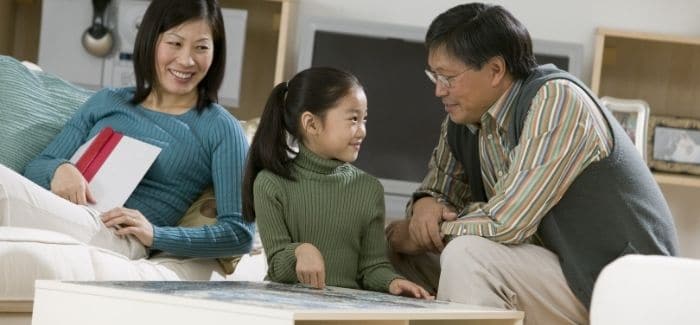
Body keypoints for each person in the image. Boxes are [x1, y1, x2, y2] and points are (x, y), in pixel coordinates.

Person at [386, 3, 679, 323]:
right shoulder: (463, 119)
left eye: (448, 77)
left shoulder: (557, 101)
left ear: (495, 70)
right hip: (558, 270)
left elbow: (508, 222)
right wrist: (426, 203)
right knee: (388, 254)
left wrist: (423, 231)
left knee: (467, 254)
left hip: (620, 288)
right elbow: (438, 191)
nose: (438, 90)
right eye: (434, 75)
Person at [0, 0, 254, 259]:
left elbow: (240, 233)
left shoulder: (221, 128)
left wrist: (155, 234)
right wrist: (59, 169)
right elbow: (35, 168)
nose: (187, 60)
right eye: (175, 43)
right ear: (151, 41)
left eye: (201, 48)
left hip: (119, 236)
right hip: (69, 213)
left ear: (215, 53)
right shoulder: (108, 101)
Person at [242, 67, 431, 299]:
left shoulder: (369, 189)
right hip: (287, 307)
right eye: (353, 119)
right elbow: (278, 266)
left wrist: (394, 282)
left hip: (346, 310)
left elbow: (372, 267)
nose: (362, 130)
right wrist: (301, 251)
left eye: (364, 119)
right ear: (311, 124)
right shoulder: (271, 184)